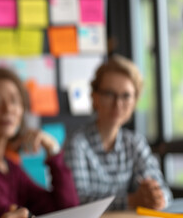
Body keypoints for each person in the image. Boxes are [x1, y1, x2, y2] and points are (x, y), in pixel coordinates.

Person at [0, 67, 79, 218]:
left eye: (14, 100)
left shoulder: (10, 167)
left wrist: (53, 149)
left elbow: (67, 209)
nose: (8, 109)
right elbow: (5, 212)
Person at [63, 54, 173, 210]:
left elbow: (163, 191)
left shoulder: (135, 142)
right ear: (94, 97)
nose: (118, 103)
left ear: (135, 101)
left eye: (126, 96)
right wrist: (132, 201)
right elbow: (77, 200)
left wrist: (157, 197)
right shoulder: (77, 142)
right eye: (109, 94)